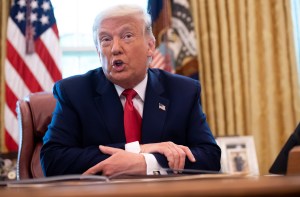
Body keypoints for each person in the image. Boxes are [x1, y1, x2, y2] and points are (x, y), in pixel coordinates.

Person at [40, 4, 221, 177]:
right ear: (98, 51)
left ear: (150, 46)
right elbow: (53, 161)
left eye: (127, 36)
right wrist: (137, 150)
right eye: (106, 39)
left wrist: (147, 163)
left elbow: (210, 157)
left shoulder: (182, 91)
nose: (115, 48)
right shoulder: (74, 92)